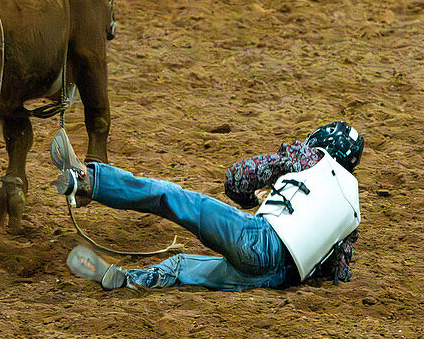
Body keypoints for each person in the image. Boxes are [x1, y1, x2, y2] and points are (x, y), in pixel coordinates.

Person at [51, 122, 364, 291]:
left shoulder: (312, 159)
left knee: (172, 198)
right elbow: (339, 273)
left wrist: (249, 201)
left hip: (258, 239)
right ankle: (124, 279)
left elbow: (237, 177)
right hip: (278, 278)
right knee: (181, 267)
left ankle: (90, 181)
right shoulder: (352, 213)